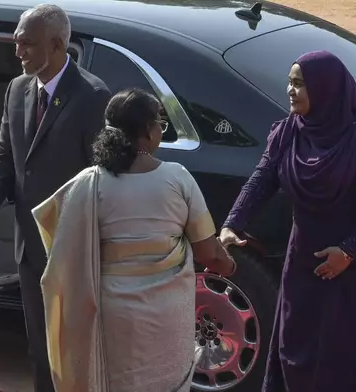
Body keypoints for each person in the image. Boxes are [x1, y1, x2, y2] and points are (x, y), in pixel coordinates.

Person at [31, 88, 237, 392]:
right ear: (146, 131)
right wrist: (229, 262)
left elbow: (61, 243)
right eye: (158, 124)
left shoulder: (90, 183)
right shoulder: (177, 178)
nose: (159, 131)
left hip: (112, 316)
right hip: (166, 317)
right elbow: (210, 254)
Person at [219, 50, 356, 392]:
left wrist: (348, 251)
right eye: (290, 82)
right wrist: (232, 224)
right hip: (304, 264)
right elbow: (261, 180)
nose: (291, 90)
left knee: (346, 357)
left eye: (300, 84)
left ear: (326, 88)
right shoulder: (287, 133)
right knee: (296, 351)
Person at [0, 4, 111, 391]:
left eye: (27, 44)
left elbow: (102, 177)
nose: (18, 52)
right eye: (16, 42)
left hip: (73, 247)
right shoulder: (17, 90)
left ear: (58, 44)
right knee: (40, 348)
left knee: (75, 348)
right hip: (30, 246)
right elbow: (4, 157)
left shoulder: (92, 95)